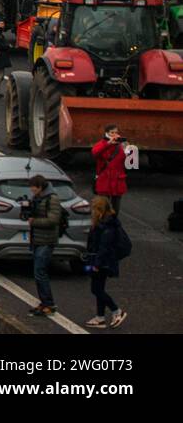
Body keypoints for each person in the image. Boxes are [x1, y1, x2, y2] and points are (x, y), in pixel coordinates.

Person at [83, 196, 129, 328]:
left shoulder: (107, 225)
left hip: (103, 262)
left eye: (94, 209)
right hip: (100, 260)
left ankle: (117, 311)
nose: (92, 212)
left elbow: (104, 247)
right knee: (99, 289)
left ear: (99, 210)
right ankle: (100, 318)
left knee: (96, 289)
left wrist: (97, 264)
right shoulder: (105, 223)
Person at [26, 174, 64, 317]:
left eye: (33, 187)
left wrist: (34, 221)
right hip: (37, 240)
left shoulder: (52, 199)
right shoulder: (37, 198)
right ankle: (44, 302)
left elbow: (53, 220)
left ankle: (49, 303)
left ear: (40, 187)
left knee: (40, 272)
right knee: (38, 273)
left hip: (47, 241)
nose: (31, 190)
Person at [92, 124, 128, 215]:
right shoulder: (102, 144)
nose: (115, 135)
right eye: (112, 132)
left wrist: (126, 148)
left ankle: (114, 223)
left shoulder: (120, 146)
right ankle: (101, 224)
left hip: (117, 180)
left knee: (116, 208)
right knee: (102, 207)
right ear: (106, 133)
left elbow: (130, 162)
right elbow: (95, 153)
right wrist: (108, 144)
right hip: (104, 179)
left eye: (116, 132)